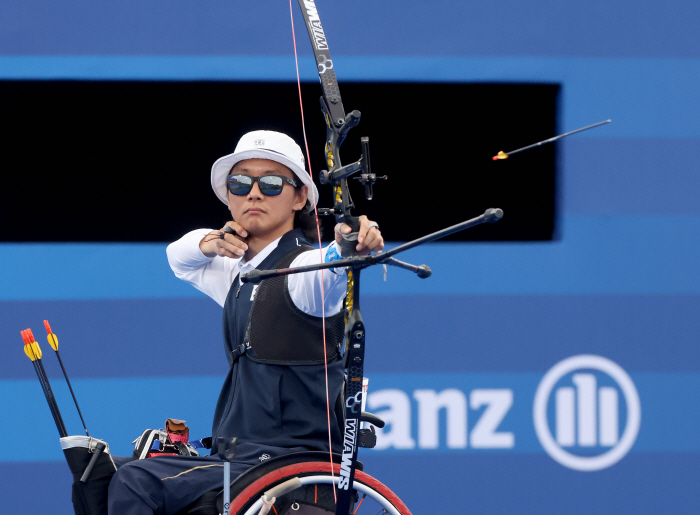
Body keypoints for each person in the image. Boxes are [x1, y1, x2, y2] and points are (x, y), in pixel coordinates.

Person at [107, 130, 384, 515]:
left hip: (285, 463)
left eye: (271, 184)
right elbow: (178, 257)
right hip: (239, 461)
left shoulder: (303, 269)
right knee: (101, 474)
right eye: (241, 183)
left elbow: (326, 270)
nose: (254, 193)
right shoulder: (237, 273)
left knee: (138, 482)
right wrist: (211, 241)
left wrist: (347, 246)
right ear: (230, 196)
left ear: (300, 197)